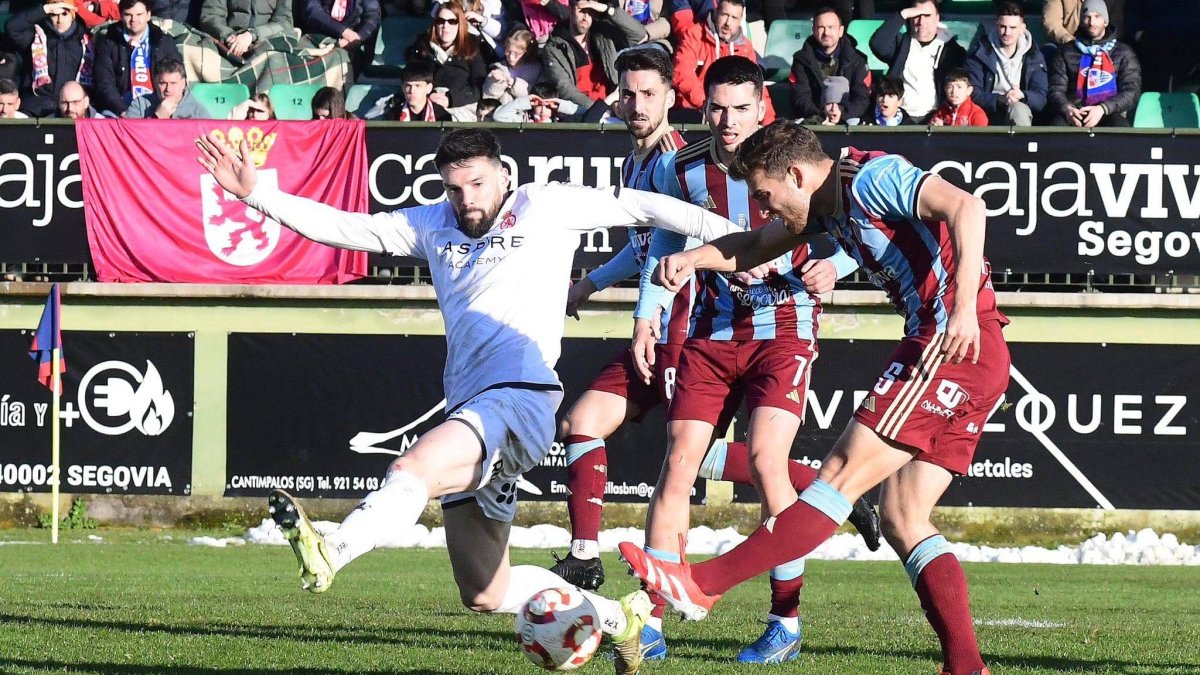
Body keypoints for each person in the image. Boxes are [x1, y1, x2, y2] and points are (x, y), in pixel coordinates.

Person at [195, 126, 750, 675]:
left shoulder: (546, 204)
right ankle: (616, 617)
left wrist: (741, 243)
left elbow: (649, 208)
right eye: (455, 189)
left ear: (502, 173)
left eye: (478, 185)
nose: (467, 200)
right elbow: (345, 228)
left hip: (522, 398)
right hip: (472, 408)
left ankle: (333, 552)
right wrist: (256, 196)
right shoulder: (431, 223)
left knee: (414, 465)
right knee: (486, 590)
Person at [618, 119, 1011, 675]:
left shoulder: (870, 178)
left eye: (765, 195)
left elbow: (967, 207)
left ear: (797, 175)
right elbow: (753, 246)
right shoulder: (822, 205)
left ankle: (702, 585)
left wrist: (964, 307)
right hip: (968, 351)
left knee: (838, 477)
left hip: (949, 344)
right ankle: (966, 667)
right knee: (903, 517)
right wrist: (693, 260)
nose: (765, 208)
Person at [629, 54, 873, 665]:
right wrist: (647, 310)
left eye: (740, 107)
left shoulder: (794, 162)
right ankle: (652, 617)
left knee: (767, 462)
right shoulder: (680, 168)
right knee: (679, 462)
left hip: (784, 326)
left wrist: (835, 268)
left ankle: (784, 622)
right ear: (702, 106)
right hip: (711, 333)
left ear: (763, 106)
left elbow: (857, 231)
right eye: (716, 106)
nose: (727, 119)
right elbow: (665, 242)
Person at [544, 45, 687, 596]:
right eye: (628, 93)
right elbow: (639, 248)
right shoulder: (635, 161)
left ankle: (827, 491)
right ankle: (584, 556)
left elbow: (665, 252)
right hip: (653, 324)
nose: (637, 104)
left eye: (649, 94)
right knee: (582, 420)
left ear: (671, 97)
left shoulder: (676, 162)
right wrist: (586, 283)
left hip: (682, 327)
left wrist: (642, 316)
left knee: (696, 457)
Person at [672, 0, 776, 123]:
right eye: (724, 15)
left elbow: (757, 87)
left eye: (734, 18)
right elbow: (681, 72)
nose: (728, 23)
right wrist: (710, 104)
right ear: (716, 13)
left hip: (732, 113)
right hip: (694, 109)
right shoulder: (695, 34)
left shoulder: (745, 46)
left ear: (740, 20)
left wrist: (770, 123)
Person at [869, 0, 966, 124]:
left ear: (937, 18)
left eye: (927, 16)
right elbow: (877, 44)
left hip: (936, 118)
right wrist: (902, 15)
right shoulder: (902, 44)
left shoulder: (952, 51)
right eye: (916, 15)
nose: (921, 22)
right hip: (901, 116)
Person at [1048, 0, 1140, 128]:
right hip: (1075, 112)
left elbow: (1131, 91)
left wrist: (1103, 108)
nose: (1092, 23)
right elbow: (1056, 89)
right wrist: (1067, 108)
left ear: (1106, 21)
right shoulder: (1065, 52)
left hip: (1109, 112)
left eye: (1097, 16)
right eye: (1087, 17)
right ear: (1081, 21)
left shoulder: (1123, 52)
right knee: (1056, 125)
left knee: (1119, 126)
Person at [540, 0, 646, 110]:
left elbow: (638, 35)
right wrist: (599, 109)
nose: (586, 17)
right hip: (580, 111)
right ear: (571, 10)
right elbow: (565, 89)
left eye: (590, 12)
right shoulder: (555, 48)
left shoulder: (602, 35)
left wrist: (608, 10)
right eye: (582, 11)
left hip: (614, 105)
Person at [93, 0, 183, 117]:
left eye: (139, 14)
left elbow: (177, 76)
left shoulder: (163, 41)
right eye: (128, 15)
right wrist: (123, 111)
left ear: (148, 15)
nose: (133, 19)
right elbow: (104, 82)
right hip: (120, 108)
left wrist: (165, 107)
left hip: (157, 105)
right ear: (121, 15)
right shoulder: (108, 42)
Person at [964, 1, 1046, 127]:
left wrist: (1022, 95)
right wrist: (1000, 99)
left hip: (1020, 110)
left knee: (1018, 110)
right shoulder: (980, 52)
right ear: (996, 25)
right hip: (986, 112)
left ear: (1022, 29)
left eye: (1012, 28)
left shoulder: (1034, 55)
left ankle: (1021, 146)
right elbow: (972, 93)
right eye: (1003, 26)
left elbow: (1041, 97)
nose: (1007, 32)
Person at [4, 1, 93, 117]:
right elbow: (12, 27)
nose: (59, 20)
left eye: (64, 14)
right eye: (54, 15)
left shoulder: (84, 43)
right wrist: (45, 9)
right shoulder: (34, 37)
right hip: (35, 109)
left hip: (70, 109)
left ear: (73, 15)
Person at [788, 5, 870, 124]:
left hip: (848, 120)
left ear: (841, 31)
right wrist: (822, 114)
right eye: (821, 27)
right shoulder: (801, 60)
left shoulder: (858, 60)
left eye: (831, 27)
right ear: (814, 31)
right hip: (815, 120)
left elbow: (862, 99)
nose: (826, 33)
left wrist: (842, 113)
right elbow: (801, 98)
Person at [407, 2, 490, 111]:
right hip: (426, 104)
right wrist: (429, 95)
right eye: (440, 21)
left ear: (460, 24)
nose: (445, 26)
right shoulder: (423, 47)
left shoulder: (472, 47)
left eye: (452, 22)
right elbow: (412, 79)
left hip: (460, 107)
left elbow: (479, 87)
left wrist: (450, 99)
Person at [297, 0, 381, 69]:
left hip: (351, 43)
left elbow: (372, 17)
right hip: (315, 37)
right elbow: (312, 11)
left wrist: (358, 38)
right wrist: (343, 32)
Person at [199, 0, 293, 60]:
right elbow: (211, 16)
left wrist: (252, 35)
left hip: (265, 44)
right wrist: (229, 37)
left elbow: (284, 22)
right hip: (226, 43)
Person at [126, 57, 213, 118]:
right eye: (163, 83)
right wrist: (157, 117)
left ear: (184, 84)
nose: (168, 89)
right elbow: (130, 138)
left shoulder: (197, 110)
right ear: (155, 83)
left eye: (173, 83)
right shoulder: (140, 105)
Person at [481, 28, 541, 104]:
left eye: (517, 53)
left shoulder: (535, 71)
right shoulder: (499, 68)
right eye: (508, 51)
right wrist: (496, 82)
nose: (511, 57)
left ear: (526, 52)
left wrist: (513, 83)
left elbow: (534, 96)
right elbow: (487, 97)